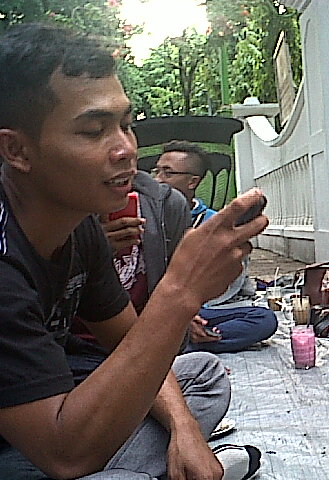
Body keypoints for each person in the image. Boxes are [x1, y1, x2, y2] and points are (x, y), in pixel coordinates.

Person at [0, 23, 266, 480]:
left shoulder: (78, 225)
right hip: (39, 444)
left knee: (200, 376)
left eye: (125, 125)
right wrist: (181, 291)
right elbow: (65, 455)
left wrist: (184, 428)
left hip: (53, 406)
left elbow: (126, 339)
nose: (126, 150)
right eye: (92, 131)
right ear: (17, 150)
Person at [66, 169, 191, 383]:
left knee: (206, 369)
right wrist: (93, 251)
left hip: (143, 344)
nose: (125, 153)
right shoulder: (57, 211)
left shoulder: (165, 203)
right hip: (74, 352)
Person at [153, 140, 277, 354]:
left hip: (202, 308)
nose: (158, 179)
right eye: (156, 171)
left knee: (264, 319)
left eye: (168, 173)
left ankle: (184, 343)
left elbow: (230, 280)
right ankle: (178, 342)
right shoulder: (144, 216)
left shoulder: (213, 222)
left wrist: (192, 313)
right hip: (156, 307)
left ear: (192, 182)